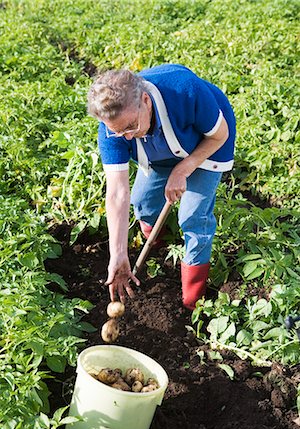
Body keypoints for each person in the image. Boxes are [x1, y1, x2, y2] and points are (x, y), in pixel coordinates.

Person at [87, 64, 236, 310]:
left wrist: (183, 169)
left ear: (145, 100)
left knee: (192, 217)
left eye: (130, 126)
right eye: (118, 132)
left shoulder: (186, 90)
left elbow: (219, 135)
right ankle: (161, 247)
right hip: (159, 148)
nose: (126, 137)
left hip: (208, 144)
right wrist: (118, 255)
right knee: (143, 202)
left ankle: (192, 301)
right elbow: (116, 193)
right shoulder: (113, 129)